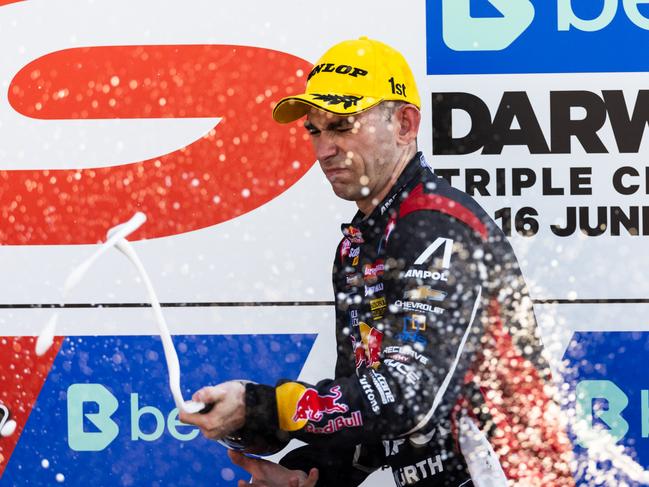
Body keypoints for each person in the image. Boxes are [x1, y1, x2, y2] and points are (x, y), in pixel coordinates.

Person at [180, 37, 575, 486]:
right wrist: (298, 470)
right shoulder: (358, 246)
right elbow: (367, 430)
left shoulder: (435, 226)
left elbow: (408, 394)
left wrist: (265, 405)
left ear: (405, 124)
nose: (324, 149)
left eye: (343, 125)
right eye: (315, 130)